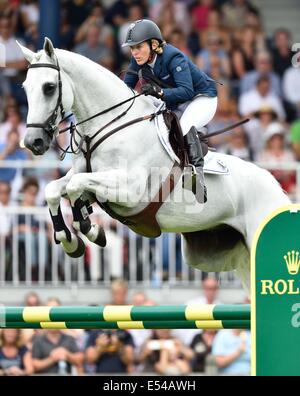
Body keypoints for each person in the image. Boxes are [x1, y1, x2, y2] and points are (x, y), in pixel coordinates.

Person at [122, 19, 218, 203]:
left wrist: (159, 92)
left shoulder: (174, 57)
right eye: (132, 48)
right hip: (174, 101)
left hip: (201, 98)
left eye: (138, 47)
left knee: (184, 126)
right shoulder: (138, 60)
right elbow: (125, 90)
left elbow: (187, 91)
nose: (134, 53)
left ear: (154, 44)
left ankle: (197, 178)